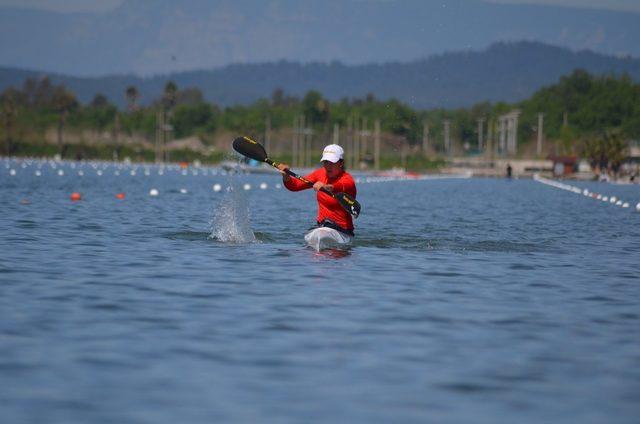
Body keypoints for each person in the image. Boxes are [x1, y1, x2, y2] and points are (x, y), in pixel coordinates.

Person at [277, 144, 357, 236]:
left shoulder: (347, 179)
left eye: (332, 162)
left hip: (343, 230)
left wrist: (325, 187)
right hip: (322, 226)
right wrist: (286, 176)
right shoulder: (320, 173)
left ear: (341, 163)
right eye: (325, 162)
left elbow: (339, 186)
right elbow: (295, 186)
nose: (328, 166)